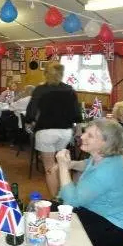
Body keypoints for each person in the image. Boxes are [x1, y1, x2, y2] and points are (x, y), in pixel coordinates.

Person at [55, 119, 123, 246]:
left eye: (90, 135)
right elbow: (88, 163)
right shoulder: (104, 158)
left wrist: (63, 167)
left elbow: (71, 201)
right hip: (99, 213)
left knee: (57, 230)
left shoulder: (107, 170)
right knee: (50, 213)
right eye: (85, 133)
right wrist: (72, 164)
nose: (82, 136)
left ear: (106, 143)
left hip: (117, 228)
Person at [26, 62, 82, 197]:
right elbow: (76, 113)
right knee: (61, 164)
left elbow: (31, 112)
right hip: (65, 132)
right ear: (62, 74)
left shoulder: (40, 90)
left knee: (50, 168)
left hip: (45, 132)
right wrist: (78, 130)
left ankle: (55, 199)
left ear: (45, 74)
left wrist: (30, 122)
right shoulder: (69, 89)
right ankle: (65, 196)